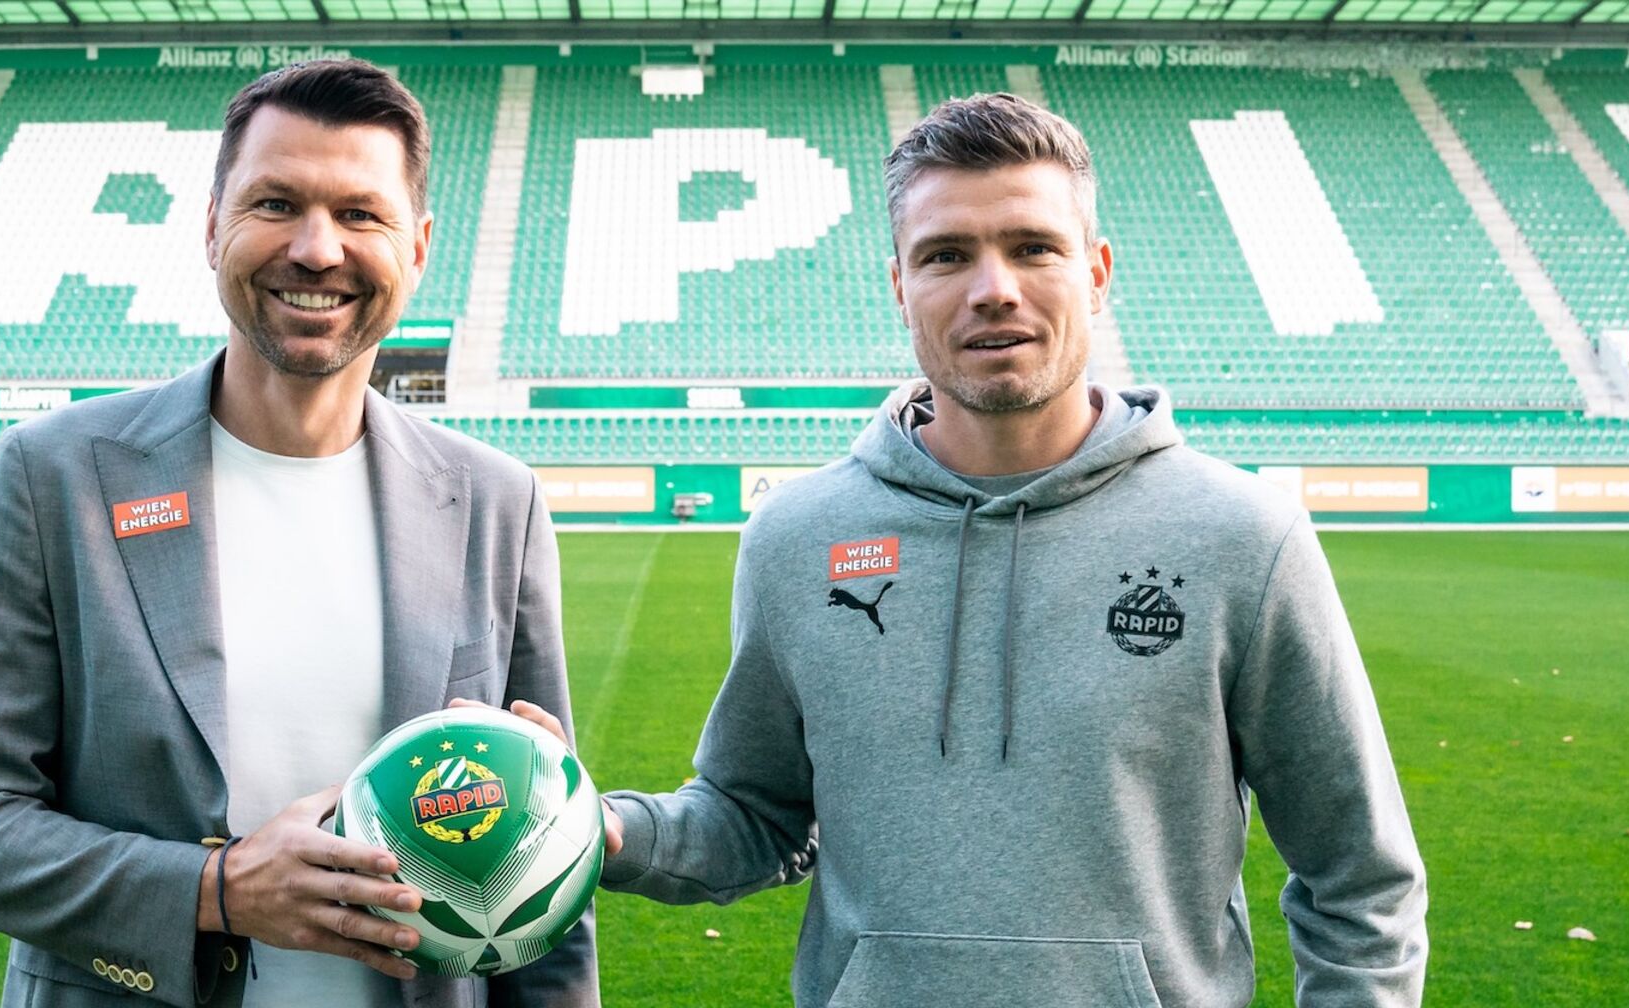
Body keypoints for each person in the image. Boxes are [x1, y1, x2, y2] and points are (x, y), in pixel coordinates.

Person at [584, 93, 1428, 1006]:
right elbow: (755, 816)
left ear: (1097, 273)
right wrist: (601, 831)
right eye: (946, 255)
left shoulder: (1244, 537)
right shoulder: (797, 538)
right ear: (900, 286)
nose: (995, 287)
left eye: (1034, 247)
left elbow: (1360, 879)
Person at [0, 59, 596, 1008]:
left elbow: (548, 867)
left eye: (362, 214)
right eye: (276, 203)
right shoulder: (52, 476)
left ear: (420, 247)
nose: (317, 250)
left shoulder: (494, 501)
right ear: (210, 225)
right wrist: (215, 892)